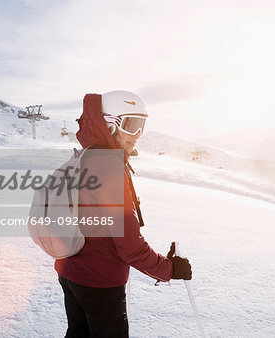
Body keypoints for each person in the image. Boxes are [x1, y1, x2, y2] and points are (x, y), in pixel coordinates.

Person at [55, 91, 192, 337]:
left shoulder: (86, 156)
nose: (138, 134)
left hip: (71, 272)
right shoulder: (107, 167)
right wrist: (169, 269)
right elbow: (130, 247)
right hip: (99, 281)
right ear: (109, 123)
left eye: (142, 124)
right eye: (131, 124)